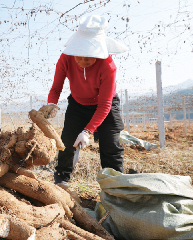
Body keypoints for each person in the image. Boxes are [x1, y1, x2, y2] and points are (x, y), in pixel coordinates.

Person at [46, 15, 128, 186]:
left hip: (106, 106)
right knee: (67, 142)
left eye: (88, 56)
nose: (83, 61)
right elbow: (56, 88)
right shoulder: (65, 58)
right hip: (77, 105)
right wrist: (51, 104)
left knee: (111, 147)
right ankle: (61, 180)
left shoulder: (108, 66)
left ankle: (114, 188)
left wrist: (88, 131)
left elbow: (105, 104)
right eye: (80, 56)